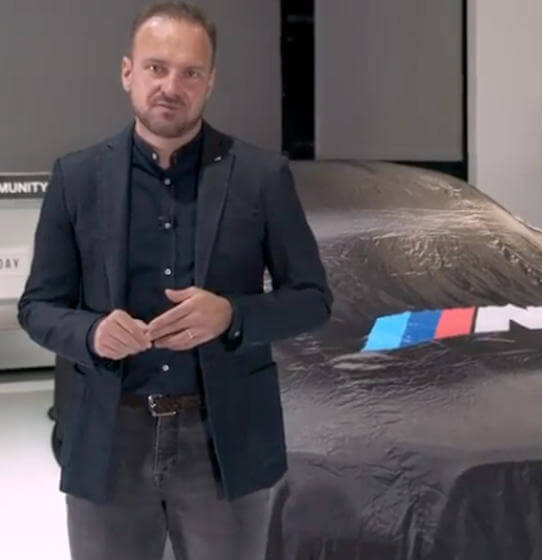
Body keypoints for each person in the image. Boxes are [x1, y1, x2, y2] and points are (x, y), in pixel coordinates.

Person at [17, 2, 332, 558]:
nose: (171, 86)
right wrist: (91, 333)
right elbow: (38, 307)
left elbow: (312, 299)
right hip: (108, 439)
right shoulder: (77, 177)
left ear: (210, 83)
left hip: (223, 439)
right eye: (156, 68)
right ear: (127, 72)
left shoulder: (261, 176)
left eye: (190, 73)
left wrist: (232, 315)